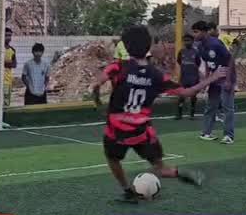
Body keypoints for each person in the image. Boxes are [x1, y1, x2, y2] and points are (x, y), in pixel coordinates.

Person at [90, 25, 227, 202]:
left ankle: (128, 191)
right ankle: (178, 172)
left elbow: (96, 84)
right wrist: (212, 77)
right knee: (161, 169)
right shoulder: (157, 76)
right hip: (142, 131)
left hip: (117, 130)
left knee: (112, 159)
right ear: (148, 47)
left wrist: (98, 102)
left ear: (126, 47)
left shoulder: (118, 67)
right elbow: (188, 92)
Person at [191, 21, 236, 144]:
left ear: (204, 32)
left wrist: (228, 80)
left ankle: (229, 135)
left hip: (226, 77)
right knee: (211, 105)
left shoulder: (215, 43)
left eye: (196, 32)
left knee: (227, 107)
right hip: (214, 78)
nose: (194, 35)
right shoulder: (200, 46)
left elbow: (230, 59)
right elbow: (207, 63)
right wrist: (207, 80)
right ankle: (206, 132)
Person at [176, 32, 201, 119]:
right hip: (184, 77)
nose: (187, 42)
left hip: (194, 78)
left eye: (189, 40)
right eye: (185, 40)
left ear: (192, 41)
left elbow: (198, 63)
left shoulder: (196, 52)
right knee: (181, 96)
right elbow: (179, 61)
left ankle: (192, 114)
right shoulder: (181, 52)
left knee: (193, 96)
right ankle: (179, 114)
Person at [3, 27, 17, 107]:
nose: (8, 37)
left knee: (6, 102)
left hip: (8, 80)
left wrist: (5, 62)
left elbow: (14, 64)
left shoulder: (12, 50)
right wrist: (8, 62)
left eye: (10, 35)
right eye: (6, 35)